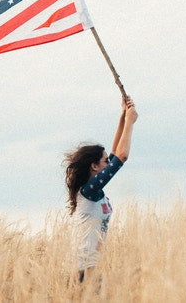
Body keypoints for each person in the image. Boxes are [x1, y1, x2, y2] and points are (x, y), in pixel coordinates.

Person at [64, 96, 138, 283]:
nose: (109, 162)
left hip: (91, 269)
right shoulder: (89, 191)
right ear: (94, 167)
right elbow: (121, 156)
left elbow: (115, 154)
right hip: (83, 271)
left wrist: (122, 116)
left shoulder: (94, 189)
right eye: (105, 161)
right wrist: (131, 122)